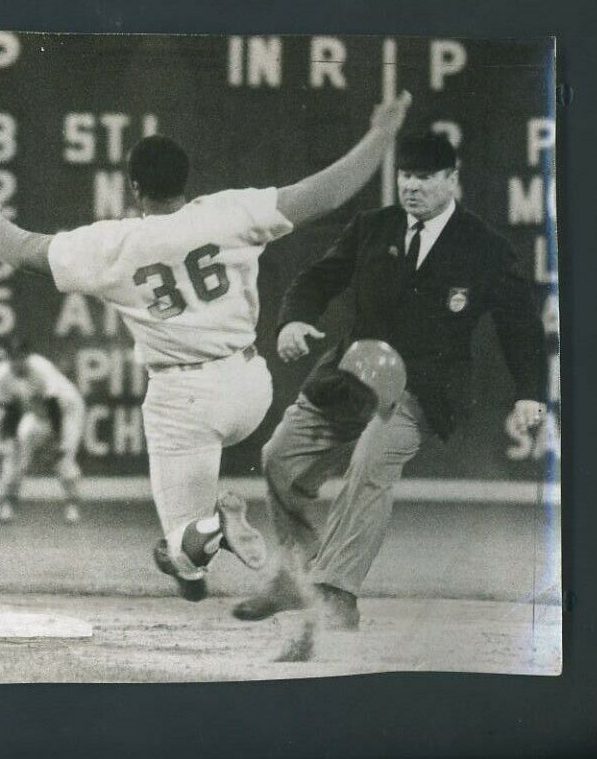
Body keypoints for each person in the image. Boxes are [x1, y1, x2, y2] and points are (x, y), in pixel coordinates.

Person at [0, 91, 413, 602]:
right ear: (185, 180)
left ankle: (211, 528)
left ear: (134, 188)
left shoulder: (112, 243)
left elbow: (17, 247)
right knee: (191, 579)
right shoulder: (227, 213)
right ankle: (210, 531)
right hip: (250, 387)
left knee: (182, 559)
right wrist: (381, 135)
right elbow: (327, 193)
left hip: (183, 400)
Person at [232, 131, 548, 632]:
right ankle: (295, 575)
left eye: (424, 177)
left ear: (451, 180)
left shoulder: (483, 248)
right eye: (405, 176)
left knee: (372, 458)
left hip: (422, 391)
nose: (411, 187)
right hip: (350, 380)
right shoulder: (372, 228)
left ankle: (335, 590)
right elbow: (317, 278)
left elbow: (520, 325)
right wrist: (294, 318)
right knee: (279, 458)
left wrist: (530, 391)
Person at [0, 338, 86, 524]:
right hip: (36, 413)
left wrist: (56, 440)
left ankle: (72, 506)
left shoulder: (42, 369)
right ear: (8, 359)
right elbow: (11, 410)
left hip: (67, 410)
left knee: (63, 457)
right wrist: (12, 440)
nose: (17, 362)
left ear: (27, 357)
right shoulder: (1, 375)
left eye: (20, 357)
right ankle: (8, 503)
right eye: (13, 358)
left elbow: (54, 407)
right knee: (13, 455)